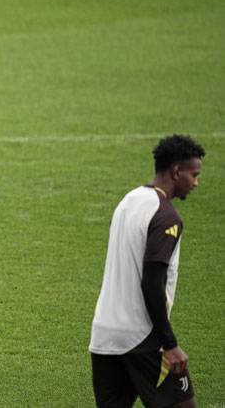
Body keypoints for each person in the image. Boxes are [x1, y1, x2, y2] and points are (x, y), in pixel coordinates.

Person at [89, 134, 205, 408]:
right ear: (177, 171)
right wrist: (170, 343)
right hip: (142, 338)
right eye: (194, 174)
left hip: (104, 335)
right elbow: (152, 282)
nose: (196, 183)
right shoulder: (167, 216)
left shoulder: (128, 200)